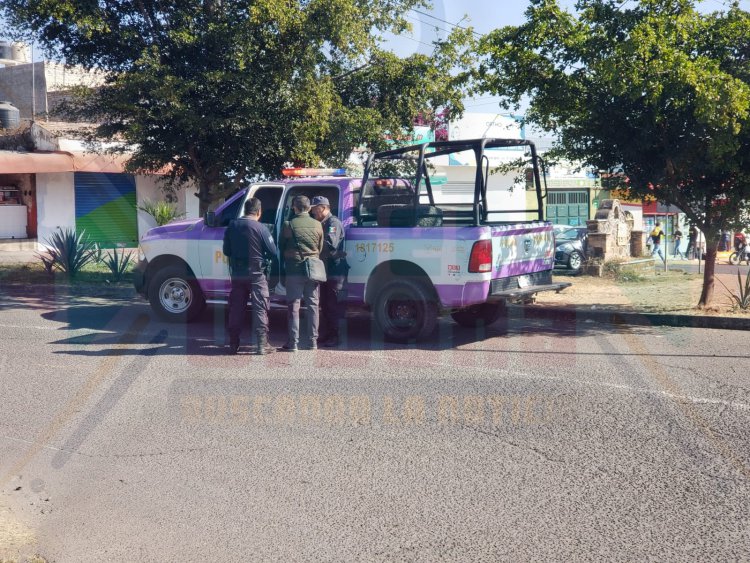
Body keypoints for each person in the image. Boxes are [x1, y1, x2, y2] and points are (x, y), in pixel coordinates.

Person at [222, 197, 277, 355]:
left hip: (238, 274)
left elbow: (227, 251)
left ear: (246, 210)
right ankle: (261, 344)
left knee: (236, 308)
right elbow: (273, 251)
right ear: (259, 212)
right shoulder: (261, 228)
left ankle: (233, 344)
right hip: (257, 274)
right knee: (260, 307)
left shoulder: (232, 226)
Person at [280, 195, 324, 351]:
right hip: (313, 269)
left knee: (294, 306)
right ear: (309, 208)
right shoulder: (318, 225)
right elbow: (320, 248)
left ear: (294, 207)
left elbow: (282, 246)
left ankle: (293, 343)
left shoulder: (288, 224)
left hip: (294, 270)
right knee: (313, 305)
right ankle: (313, 342)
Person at [310, 195, 348, 347]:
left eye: (315, 209)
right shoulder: (321, 223)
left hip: (335, 269)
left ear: (324, 208)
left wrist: (312, 243)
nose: (313, 212)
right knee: (325, 304)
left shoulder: (333, 223)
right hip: (325, 269)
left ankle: (336, 335)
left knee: (334, 305)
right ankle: (328, 333)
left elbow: (330, 244)